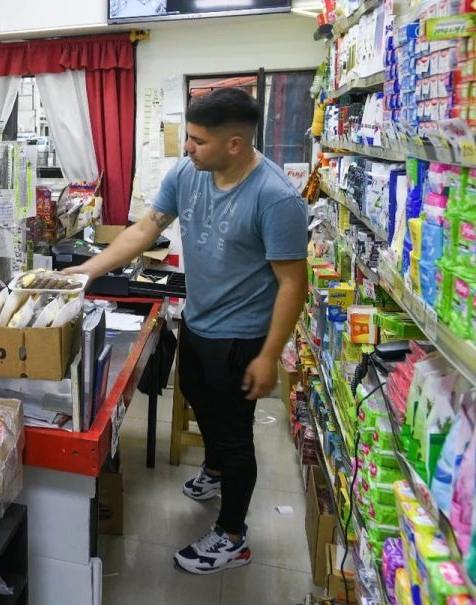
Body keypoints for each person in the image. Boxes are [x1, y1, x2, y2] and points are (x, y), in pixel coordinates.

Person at [64, 87, 308, 575]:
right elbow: (143, 230)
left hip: (242, 337)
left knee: (234, 434)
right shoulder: (188, 173)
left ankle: (233, 536)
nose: (187, 148)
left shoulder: (275, 198)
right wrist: (82, 274)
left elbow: (292, 283)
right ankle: (214, 470)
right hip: (198, 319)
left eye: (197, 140)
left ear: (234, 144)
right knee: (197, 394)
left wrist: (268, 355)